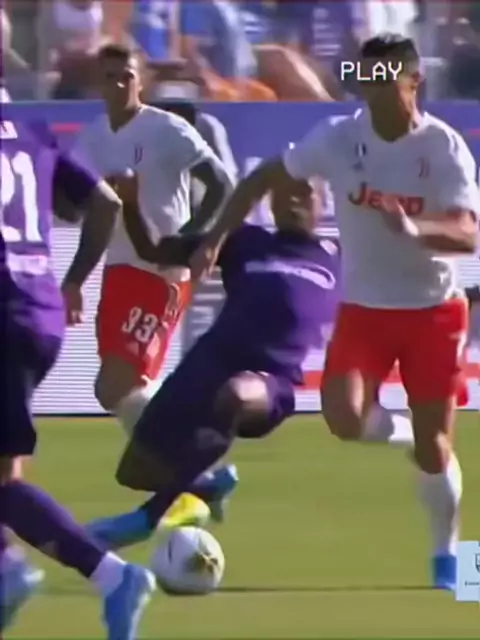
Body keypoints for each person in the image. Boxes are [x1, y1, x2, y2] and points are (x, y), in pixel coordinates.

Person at [188, 33, 480, 591]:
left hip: (434, 311)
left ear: (414, 81)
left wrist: (414, 228)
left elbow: (468, 232)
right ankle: (407, 437)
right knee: (344, 419)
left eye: (384, 76)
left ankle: (451, 560)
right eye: (366, 75)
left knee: (436, 449)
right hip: (366, 307)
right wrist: (215, 238)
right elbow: (264, 177)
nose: (372, 87)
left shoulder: (443, 149)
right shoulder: (339, 137)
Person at [80, 174, 340, 551]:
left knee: (236, 395)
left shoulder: (340, 255)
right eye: (284, 193)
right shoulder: (245, 240)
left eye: (305, 193)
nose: (294, 200)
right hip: (206, 365)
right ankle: (208, 486)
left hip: (270, 380)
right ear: (270, 202)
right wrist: (133, 205)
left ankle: (148, 517)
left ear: (324, 202)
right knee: (137, 472)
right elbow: (154, 252)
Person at [67, 43, 237, 534]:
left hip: (160, 271)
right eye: (110, 77)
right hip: (120, 269)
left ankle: (190, 479)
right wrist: (75, 279)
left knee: (118, 384)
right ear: (98, 84)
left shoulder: (166, 129)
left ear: (140, 79)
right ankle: (203, 476)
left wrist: (194, 239)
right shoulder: (92, 140)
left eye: (127, 75)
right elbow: (86, 213)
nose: (120, 84)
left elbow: (221, 183)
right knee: (115, 389)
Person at [0, 109, 156, 635]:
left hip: (3, 311)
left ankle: (107, 575)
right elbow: (105, 201)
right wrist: (72, 283)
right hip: (37, 309)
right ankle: (11, 569)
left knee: (3, 479)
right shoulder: (32, 130)